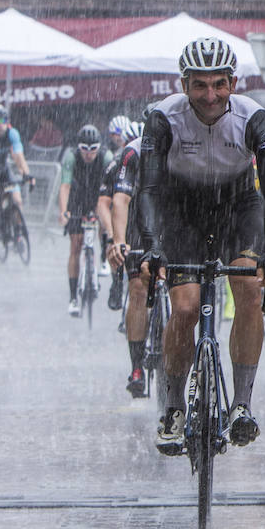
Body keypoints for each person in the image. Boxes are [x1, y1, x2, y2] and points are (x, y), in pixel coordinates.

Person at [138, 37, 265, 455]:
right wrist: (151, 245)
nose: (209, 96)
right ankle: (172, 408)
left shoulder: (254, 118)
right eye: (199, 85)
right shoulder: (162, 118)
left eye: (219, 85)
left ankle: (241, 404)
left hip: (238, 206)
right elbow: (147, 188)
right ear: (183, 84)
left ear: (233, 82)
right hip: (182, 209)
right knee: (184, 308)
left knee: (250, 292)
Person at [104, 121, 150, 397]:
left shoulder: (184, 145)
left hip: (170, 217)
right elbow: (118, 200)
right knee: (138, 289)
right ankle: (137, 366)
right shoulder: (132, 153)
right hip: (138, 219)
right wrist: (118, 241)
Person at [60, 125, 112, 316]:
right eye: (84, 149)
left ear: (99, 147)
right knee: (75, 246)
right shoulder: (71, 157)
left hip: (99, 194)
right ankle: (73, 297)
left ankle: (104, 259)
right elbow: (64, 186)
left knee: (103, 214)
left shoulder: (106, 157)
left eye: (93, 149)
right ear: (78, 147)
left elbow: (112, 189)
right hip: (77, 199)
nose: (89, 154)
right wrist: (64, 211)